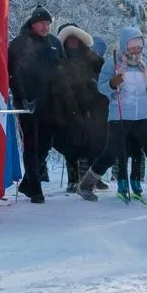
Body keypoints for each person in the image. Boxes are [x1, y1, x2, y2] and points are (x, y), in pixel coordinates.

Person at [90, 26, 147, 202]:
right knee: (111, 153)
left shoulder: (143, 65)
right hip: (119, 115)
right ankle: (87, 185)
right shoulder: (112, 63)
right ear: (124, 47)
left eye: (139, 47)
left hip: (143, 115)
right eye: (132, 47)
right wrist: (113, 84)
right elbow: (102, 87)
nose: (136, 51)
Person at [8, 7, 64, 202]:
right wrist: (21, 96)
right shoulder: (20, 43)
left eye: (48, 23)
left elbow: (62, 70)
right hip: (28, 101)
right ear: (33, 23)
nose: (46, 26)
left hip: (50, 100)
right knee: (31, 143)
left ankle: (28, 182)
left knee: (46, 143)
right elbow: (13, 73)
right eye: (42, 23)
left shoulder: (55, 43)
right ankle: (35, 187)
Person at [51, 26, 109, 198]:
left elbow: (104, 71)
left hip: (92, 103)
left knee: (95, 141)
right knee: (71, 143)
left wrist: (96, 84)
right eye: (69, 39)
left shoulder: (89, 55)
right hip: (67, 105)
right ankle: (73, 179)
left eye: (75, 38)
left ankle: (92, 178)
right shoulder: (59, 58)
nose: (73, 42)